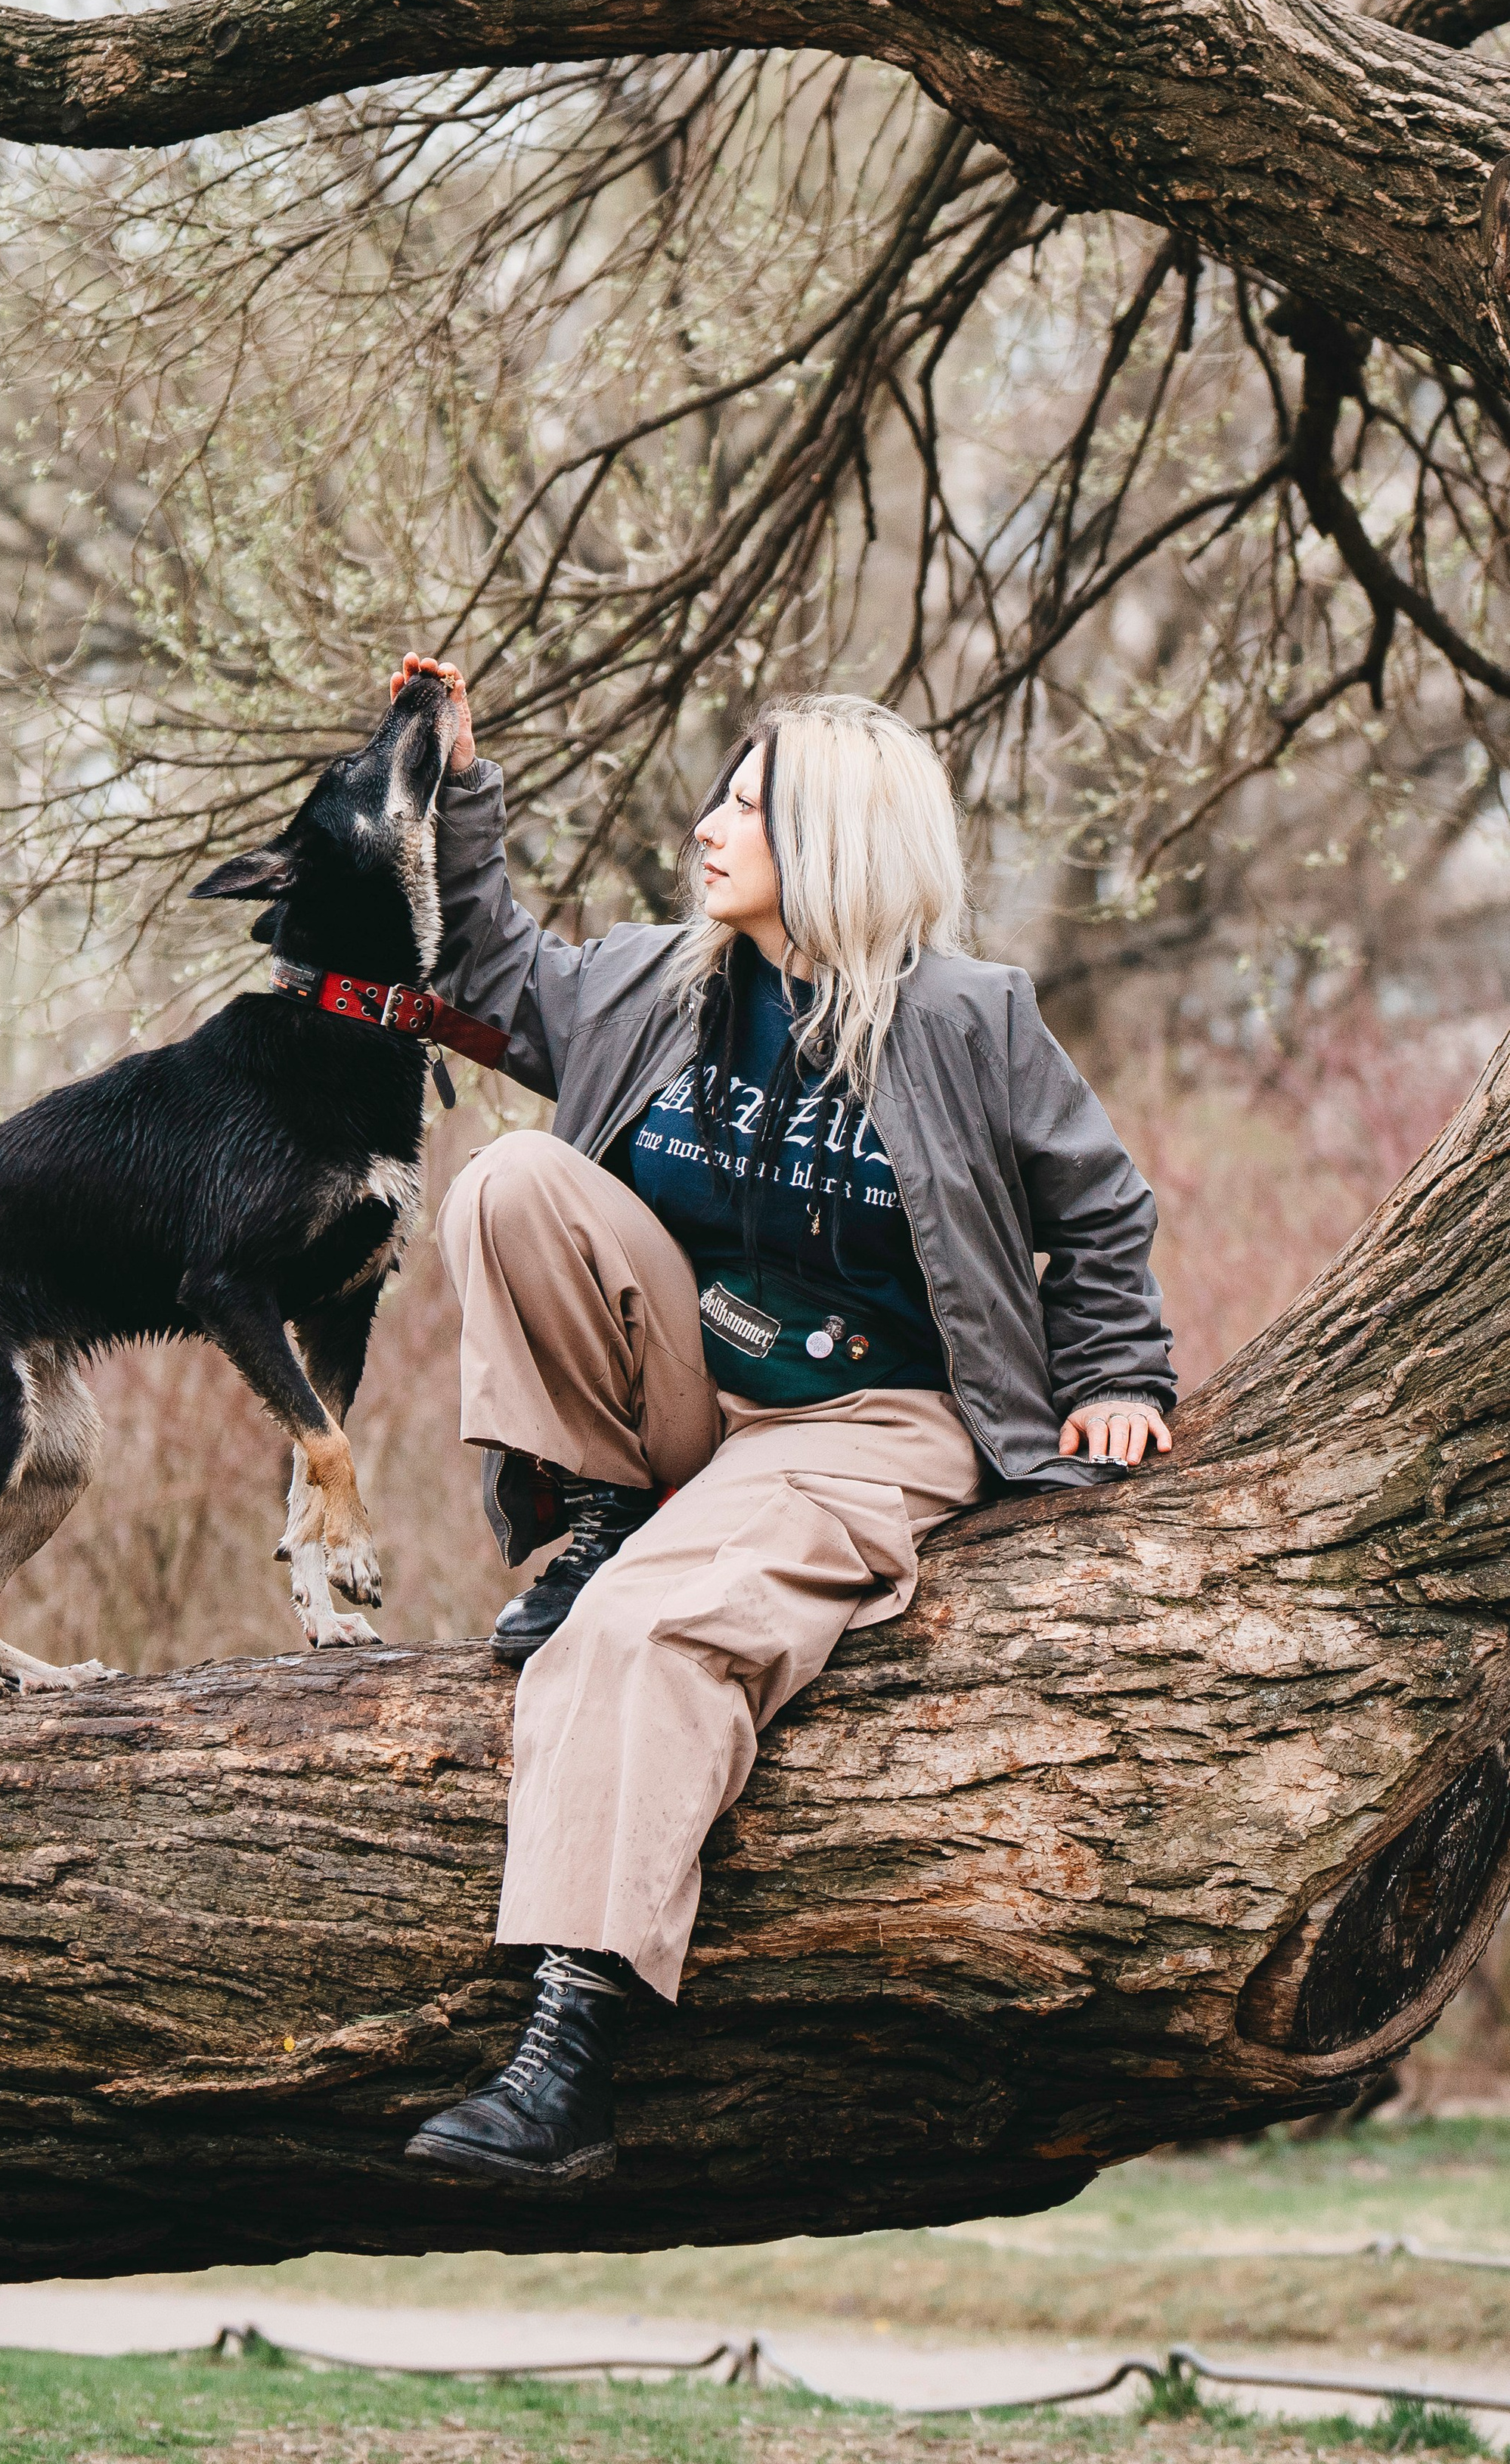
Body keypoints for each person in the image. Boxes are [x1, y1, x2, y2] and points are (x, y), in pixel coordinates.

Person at [391, 655, 1174, 2189]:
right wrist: (458, 787)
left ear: (834, 836)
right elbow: (485, 973)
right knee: (506, 1179)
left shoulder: (965, 1019)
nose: (710, 822)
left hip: (869, 1418)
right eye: (719, 792)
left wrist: (1116, 1377)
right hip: (683, 1396)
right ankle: (597, 1521)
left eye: (751, 803)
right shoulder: (649, 979)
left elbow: (1096, 1208)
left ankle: (568, 2052)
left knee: (635, 1635)